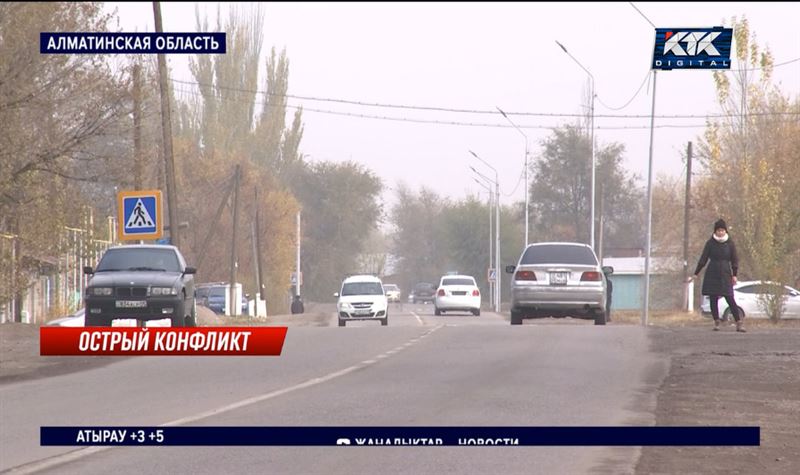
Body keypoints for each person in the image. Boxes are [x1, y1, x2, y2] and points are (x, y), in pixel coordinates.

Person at [689, 219, 745, 332]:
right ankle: (716, 322)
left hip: (725, 272)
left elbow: (735, 260)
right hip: (712, 271)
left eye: (722, 230)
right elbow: (703, 259)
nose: (720, 232)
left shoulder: (730, 243)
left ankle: (738, 322)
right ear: (715, 231)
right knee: (713, 298)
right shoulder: (710, 243)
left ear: (725, 231)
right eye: (718, 230)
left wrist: (734, 274)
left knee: (730, 298)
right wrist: (696, 272)